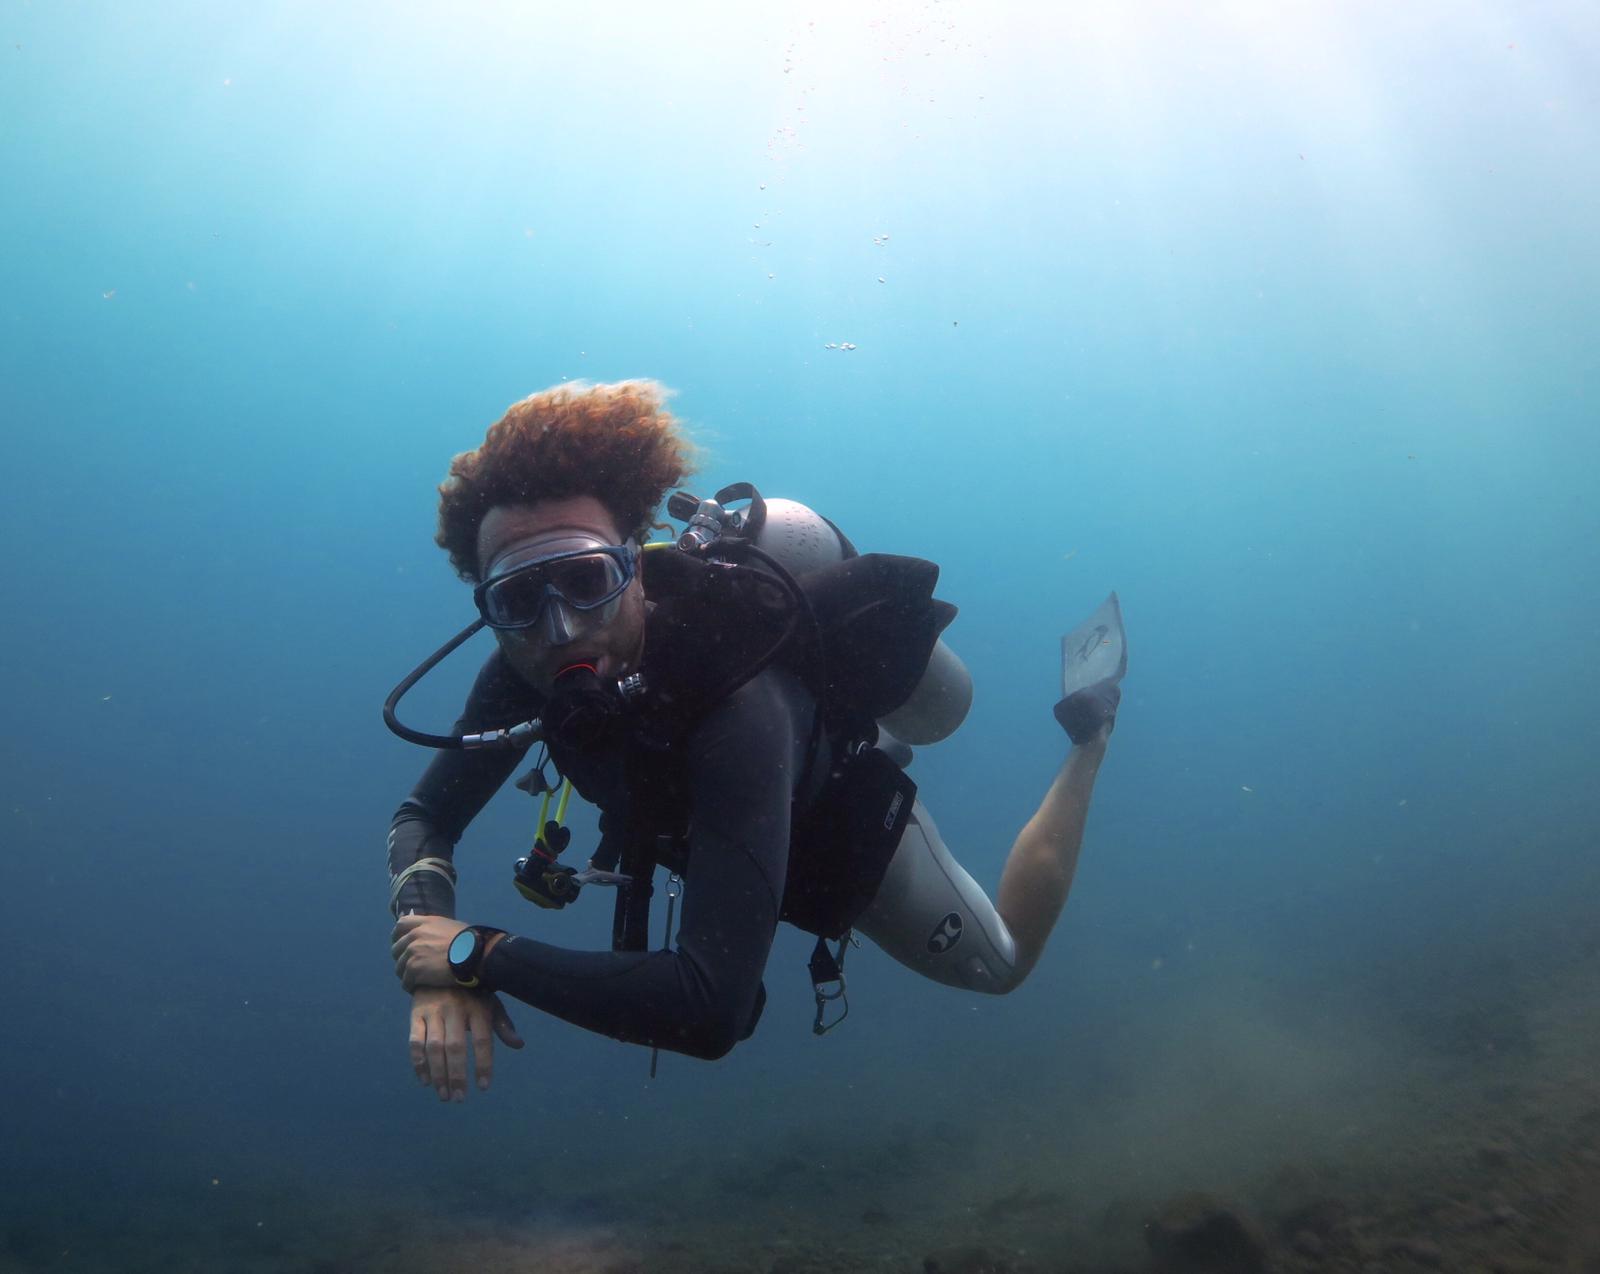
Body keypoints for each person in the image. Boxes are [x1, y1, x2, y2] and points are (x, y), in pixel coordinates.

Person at [387, 381, 1123, 1102]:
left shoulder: (739, 707)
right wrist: (429, 956)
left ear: (636, 567)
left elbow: (711, 1009)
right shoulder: (519, 671)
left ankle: (1090, 735)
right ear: (488, 608)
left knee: (1002, 968)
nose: (560, 629)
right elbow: (424, 818)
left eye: (587, 581)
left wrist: (473, 955)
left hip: (827, 827)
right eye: (517, 599)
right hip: (736, 807)